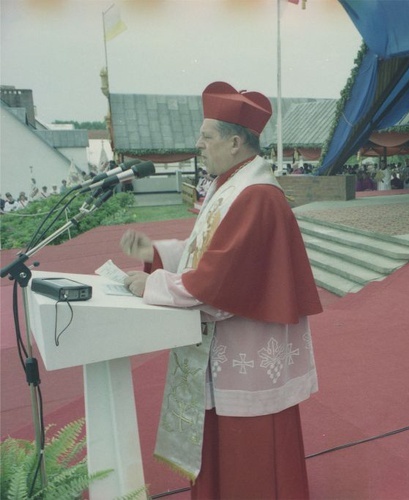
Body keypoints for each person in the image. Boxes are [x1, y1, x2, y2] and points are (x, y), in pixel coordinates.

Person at [120, 82, 322, 498]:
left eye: (206, 136)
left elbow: (217, 280)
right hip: (229, 346)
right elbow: (208, 253)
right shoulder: (230, 185)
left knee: (251, 457)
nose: (198, 144)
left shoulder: (256, 195)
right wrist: (156, 252)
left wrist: (152, 284)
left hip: (246, 349)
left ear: (234, 142)